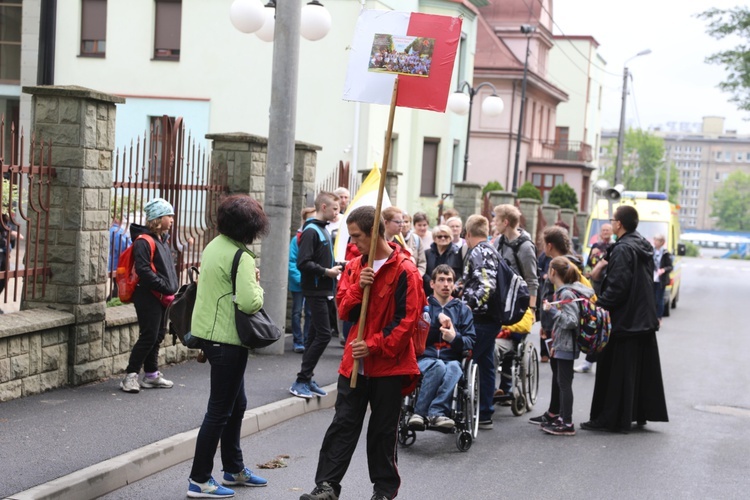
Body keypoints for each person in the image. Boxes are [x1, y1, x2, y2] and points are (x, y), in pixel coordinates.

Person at [300, 206, 422, 500]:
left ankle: (383, 491)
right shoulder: (355, 266)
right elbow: (343, 309)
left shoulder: (407, 270)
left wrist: (374, 344)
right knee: (342, 425)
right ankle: (327, 486)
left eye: (356, 236)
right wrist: (358, 287)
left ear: (373, 232)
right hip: (353, 363)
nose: (353, 243)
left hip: (389, 366)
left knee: (382, 431)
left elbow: (407, 321)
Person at [186, 194, 269, 498]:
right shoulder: (242, 257)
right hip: (229, 339)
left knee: (237, 404)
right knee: (220, 411)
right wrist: (258, 287)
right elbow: (249, 302)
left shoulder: (213, 246)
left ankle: (233, 468)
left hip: (211, 335)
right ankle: (199, 479)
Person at [583, 205, 669, 433]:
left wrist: (598, 304)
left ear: (619, 224)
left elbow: (618, 287)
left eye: (613, 220)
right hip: (643, 318)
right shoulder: (642, 245)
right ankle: (634, 413)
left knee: (615, 372)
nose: (611, 223)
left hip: (624, 320)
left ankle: (609, 418)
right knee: (636, 371)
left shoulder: (622, 249)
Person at [530, 225, 595, 426]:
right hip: (555, 327)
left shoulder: (559, 266)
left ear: (550, 246)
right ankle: (554, 411)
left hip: (560, 330)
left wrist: (548, 320)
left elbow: (558, 301)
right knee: (558, 373)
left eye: (543, 244)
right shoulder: (571, 262)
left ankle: (560, 416)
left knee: (560, 375)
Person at [120, 198, 179, 393]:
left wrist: (169, 287)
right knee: (149, 335)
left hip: (162, 296)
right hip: (147, 295)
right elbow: (144, 271)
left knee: (158, 335)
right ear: (157, 218)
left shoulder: (162, 240)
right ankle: (130, 376)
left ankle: (151, 375)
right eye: (168, 215)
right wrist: (164, 286)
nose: (172, 219)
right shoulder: (143, 242)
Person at [408, 264, 475, 430]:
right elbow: (414, 335)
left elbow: (470, 340)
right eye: (441, 280)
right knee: (437, 366)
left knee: (454, 369)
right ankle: (421, 413)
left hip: (451, 358)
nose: (446, 284)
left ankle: (436, 411)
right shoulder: (423, 307)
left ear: (454, 285)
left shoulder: (462, 310)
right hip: (425, 357)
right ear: (432, 284)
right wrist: (437, 320)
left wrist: (455, 338)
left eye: (449, 280)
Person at [290, 192, 343, 399]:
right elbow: (303, 263)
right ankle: (301, 380)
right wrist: (326, 272)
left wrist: (335, 268)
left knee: (314, 335)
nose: (337, 213)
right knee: (323, 335)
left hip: (322, 289)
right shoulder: (312, 231)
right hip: (315, 290)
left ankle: (307, 377)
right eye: (335, 209)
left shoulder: (322, 230)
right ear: (323, 207)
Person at [538, 256, 593, 436]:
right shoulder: (563, 291)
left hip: (567, 345)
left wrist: (552, 311)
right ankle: (562, 418)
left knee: (564, 384)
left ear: (553, 272)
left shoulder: (566, 293)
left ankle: (567, 422)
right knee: (563, 382)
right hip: (563, 343)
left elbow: (570, 321)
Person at [459, 214, 502, 430]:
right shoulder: (490, 248)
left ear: (467, 234)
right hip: (491, 317)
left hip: (482, 318)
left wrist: (468, 306)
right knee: (485, 364)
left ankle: (460, 410)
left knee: (463, 357)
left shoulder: (479, 251)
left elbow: (487, 286)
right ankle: (485, 413)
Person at [493, 204, 538, 394]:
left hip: (519, 304)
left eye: (496, 219)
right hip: (501, 302)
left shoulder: (525, 247)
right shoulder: (498, 242)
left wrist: (531, 310)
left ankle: (506, 386)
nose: (493, 223)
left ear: (505, 222)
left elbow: (532, 280)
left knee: (512, 342)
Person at [289, 207, 317, 353]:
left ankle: (307, 340)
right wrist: (300, 279)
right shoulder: (297, 239)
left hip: (311, 282)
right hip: (299, 283)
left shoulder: (315, 236)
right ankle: (297, 341)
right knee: (297, 312)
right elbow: (292, 261)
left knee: (310, 313)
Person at [423, 225, 463, 297]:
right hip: (430, 292)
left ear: (450, 238)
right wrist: (432, 283)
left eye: (446, 236)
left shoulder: (457, 253)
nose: (443, 238)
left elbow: (460, 272)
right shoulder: (427, 253)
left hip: (450, 292)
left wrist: (454, 285)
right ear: (434, 238)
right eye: (439, 236)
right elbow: (423, 271)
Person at [652, 234, 673, 324]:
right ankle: (651, 317)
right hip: (651, 278)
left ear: (662, 242)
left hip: (661, 280)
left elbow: (670, 266)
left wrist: (663, 270)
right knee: (651, 299)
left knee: (659, 299)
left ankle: (659, 317)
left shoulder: (665, 253)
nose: (655, 242)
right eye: (655, 240)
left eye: (657, 240)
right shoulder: (650, 251)